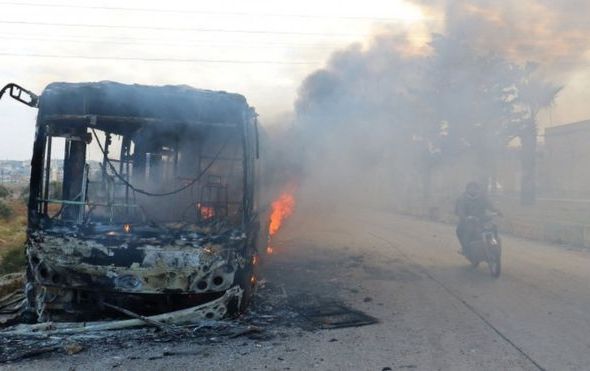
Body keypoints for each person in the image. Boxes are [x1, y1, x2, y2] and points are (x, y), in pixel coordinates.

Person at [455, 181, 501, 254]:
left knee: (493, 227)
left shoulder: (483, 197)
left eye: (475, 188)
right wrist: (465, 218)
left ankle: (494, 243)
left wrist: (497, 211)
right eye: (471, 188)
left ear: (478, 189)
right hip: (468, 221)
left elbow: (491, 206)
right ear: (467, 189)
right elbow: (460, 211)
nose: (473, 190)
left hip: (482, 219)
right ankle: (465, 248)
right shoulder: (462, 199)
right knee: (461, 231)